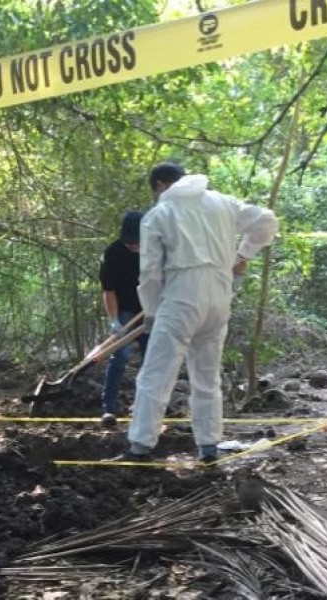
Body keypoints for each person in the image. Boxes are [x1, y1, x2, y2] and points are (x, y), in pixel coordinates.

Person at [120, 161, 278, 464]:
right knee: (206, 375)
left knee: (156, 374)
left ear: (159, 186)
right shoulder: (223, 203)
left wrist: (152, 312)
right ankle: (209, 446)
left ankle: (140, 446)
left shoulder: (159, 214)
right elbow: (267, 221)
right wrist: (243, 255)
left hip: (181, 296)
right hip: (220, 295)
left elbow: (150, 274)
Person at [99, 210, 148, 428]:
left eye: (136, 243)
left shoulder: (156, 249)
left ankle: (144, 407)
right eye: (129, 243)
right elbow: (109, 291)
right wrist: (114, 321)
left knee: (152, 360)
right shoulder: (112, 253)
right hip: (125, 309)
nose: (133, 246)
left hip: (151, 309)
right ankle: (109, 408)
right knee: (119, 355)